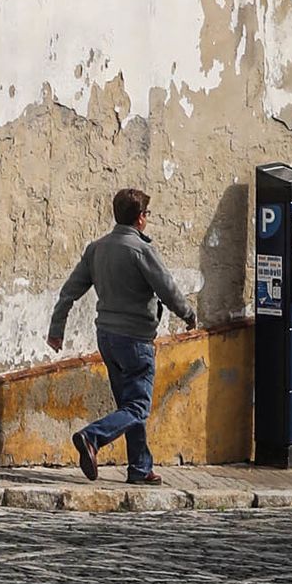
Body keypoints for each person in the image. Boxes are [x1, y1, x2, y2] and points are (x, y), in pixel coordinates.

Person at [47, 186, 198, 485]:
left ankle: (140, 468)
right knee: (138, 406)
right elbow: (167, 289)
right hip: (135, 340)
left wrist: (56, 329)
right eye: (147, 215)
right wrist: (188, 314)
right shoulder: (141, 250)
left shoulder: (96, 249)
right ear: (141, 218)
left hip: (107, 338)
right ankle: (92, 438)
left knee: (129, 404)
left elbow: (70, 291)